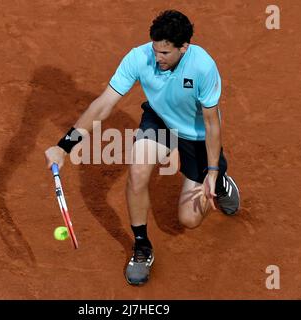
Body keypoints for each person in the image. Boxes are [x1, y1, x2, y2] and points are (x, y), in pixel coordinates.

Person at [45, 10, 240, 286]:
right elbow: (103, 104)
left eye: (165, 53)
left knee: (189, 219)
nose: (157, 58)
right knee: (137, 172)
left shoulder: (203, 67)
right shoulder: (139, 57)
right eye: (155, 49)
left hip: (196, 135)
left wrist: (211, 171)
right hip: (160, 119)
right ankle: (142, 247)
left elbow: (211, 124)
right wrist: (64, 147)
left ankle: (221, 183)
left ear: (184, 47)